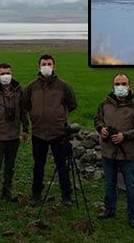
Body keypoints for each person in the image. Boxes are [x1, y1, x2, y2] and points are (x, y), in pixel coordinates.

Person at [94, 73, 134, 229]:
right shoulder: (105, 103)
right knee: (109, 183)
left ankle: (133, 215)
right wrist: (101, 129)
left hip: (127, 153)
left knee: (131, 186)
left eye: (123, 83)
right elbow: (97, 119)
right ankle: (109, 210)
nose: (120, 87)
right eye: (117, 84)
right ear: (113, 86)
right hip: (108, 152)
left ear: (129, 86)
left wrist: (124, 136)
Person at [22, 54, 77, 206]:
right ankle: (36, 194)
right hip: (38, 133)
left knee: (62, 165)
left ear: (54, 66)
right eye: (44, 64)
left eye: (49, 63)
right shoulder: (31, 87)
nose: (46, 66)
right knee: (38, 165)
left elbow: (72, 104)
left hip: (58, 133)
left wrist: (59, 117)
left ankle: (67, 195)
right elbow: (25, 105)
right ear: (39, 66)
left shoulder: (63, 86)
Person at [0, 62, 29, 209]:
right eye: (2, 73)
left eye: (8, 73)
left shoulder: (18, 90)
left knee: (10, 166)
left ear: (12, 73)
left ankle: (6, 192)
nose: (5, 76)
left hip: (13, 136)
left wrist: (25, 129)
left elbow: (23, 111)